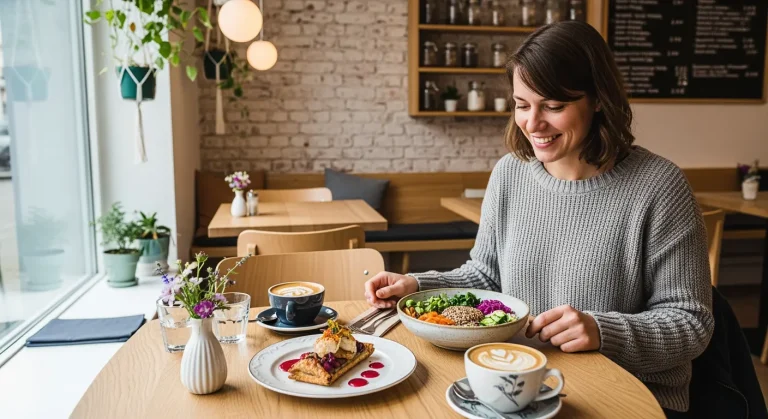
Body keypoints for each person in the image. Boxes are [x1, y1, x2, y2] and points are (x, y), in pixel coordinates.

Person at [364, 21, 713, 416]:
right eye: (522, 105)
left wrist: (603, 332)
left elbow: (691, 323)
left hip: (626, 395)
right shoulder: (509, 174)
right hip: (518, 387)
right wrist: (417, 284)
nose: (532, 123)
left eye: (554, 106)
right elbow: (487, 277)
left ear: (599, 99)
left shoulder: (660, 186)